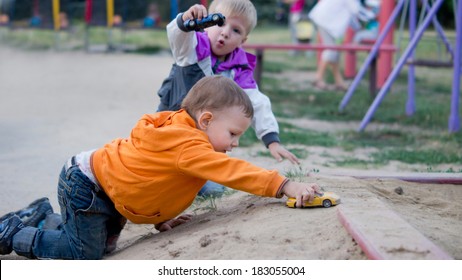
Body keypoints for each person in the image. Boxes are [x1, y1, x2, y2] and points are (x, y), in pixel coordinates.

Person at [0, 76, 321, 260]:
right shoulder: (190, 145)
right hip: (87, 186)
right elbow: (234, 172)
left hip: (108, 192)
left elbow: (153, 175)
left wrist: (160, 217)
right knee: (83, 254)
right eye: (233, 134)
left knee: (106, 246)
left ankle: (42, 214)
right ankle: (14, 232)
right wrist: (283, 185)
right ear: (206, 120)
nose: (234, 143)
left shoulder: (184, 133)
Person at [157, 0, 300, 197]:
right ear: (207, 23)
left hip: (204, 134)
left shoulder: (238, 69)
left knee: (212, 185)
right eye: (220, 23)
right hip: (172, 124)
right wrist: (186, 19)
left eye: (236, 30)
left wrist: (271, 139)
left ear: (243, 40)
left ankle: (198, 179)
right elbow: (177, 35)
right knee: (161, 165)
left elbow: (255, 101)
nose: (225, 32)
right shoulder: (191, 49)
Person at [308, 0, 363, 91]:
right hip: (326, 21)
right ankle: (318, 77)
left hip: (323, 18)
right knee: (331, 50)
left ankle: (339, 81)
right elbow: (357, 11)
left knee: (334, 51)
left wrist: (358, 27)